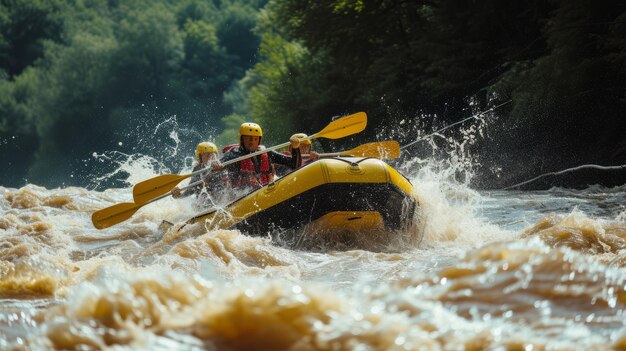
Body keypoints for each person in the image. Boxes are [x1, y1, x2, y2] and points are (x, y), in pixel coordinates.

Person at [213, 122, 302, 190]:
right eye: (248, 138)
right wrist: (217, 164)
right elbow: (220, 162)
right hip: (240, 195)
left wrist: (295, 148)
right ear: (242, 139)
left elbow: (294, 164)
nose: (252, 141)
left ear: (259, 140)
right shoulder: (233, 154)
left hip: (266, 191)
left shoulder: (267, 153)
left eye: (255, 139)